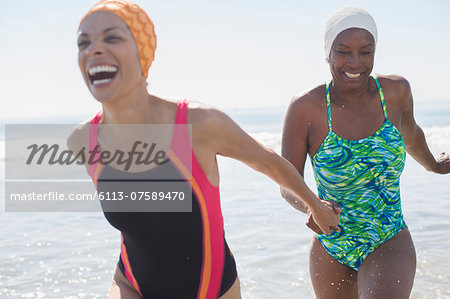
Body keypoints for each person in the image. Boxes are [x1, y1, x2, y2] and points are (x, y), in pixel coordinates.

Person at [67, 1, 340, 298]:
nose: (94, 49)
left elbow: (268, 162)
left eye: (112, 37)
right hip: (131, 284)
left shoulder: (199, 124)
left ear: (141, 51)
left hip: (210, 289)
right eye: (84, 42)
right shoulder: (83, 140)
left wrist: (316, 206)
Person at [281, 6, 450, 299]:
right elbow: (287, 182)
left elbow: (411, 135)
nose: (355, 62)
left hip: (388, 238)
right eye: (343, 51)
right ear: (328, 54)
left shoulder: (395, 93)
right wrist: (311, 206)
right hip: (331, 247)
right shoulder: (307, 107)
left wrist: (434, 165)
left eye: (365, 51)